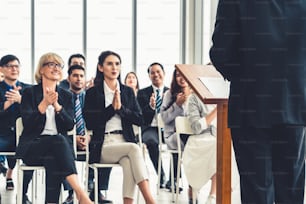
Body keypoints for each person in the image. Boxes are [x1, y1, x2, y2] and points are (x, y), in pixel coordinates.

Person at [210, 1, 306, 204]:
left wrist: (247, 75)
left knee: (256, 191)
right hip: (295, 105)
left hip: (250, 104)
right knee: (291, 191)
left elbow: (221, 52)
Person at [15, 52, 92, 204]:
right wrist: (43, 104)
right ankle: (81, 194)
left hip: (57, 150)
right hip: (33, 147)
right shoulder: (29, 93)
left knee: (54, 160)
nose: (56, 68)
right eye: (51, 64)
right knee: (58, 141)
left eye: (59, 65)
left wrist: (57, 106)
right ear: (41, 70)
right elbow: (28, 124)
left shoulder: (66, 95)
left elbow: (70, 125)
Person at [83, 50, 155, 204]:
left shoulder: (127, 92)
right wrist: (111, 109)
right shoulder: (92, 93)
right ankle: (150, 200)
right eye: (109, 64)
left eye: (117, 64)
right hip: (103, 144)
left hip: (124, 140)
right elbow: (90, 123)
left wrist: (121, 109)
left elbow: (140, 119)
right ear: (101, 67)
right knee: (134, 149)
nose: (114, 67)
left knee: (129, 163)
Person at [0, 54, 33, 204]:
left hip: (24, 136)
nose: (14, 69)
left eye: (16, 66)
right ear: (2, 69)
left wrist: (21, 100)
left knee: (32, 155)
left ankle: (23, 193)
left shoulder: (28, 89)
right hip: (3, 135)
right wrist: (5, 106)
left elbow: (36, 113)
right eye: (10, 66)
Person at [160, 69, 192, 193]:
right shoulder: (169, 94)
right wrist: (177, 105)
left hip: (191, 134)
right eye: (178, 75)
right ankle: (183, 181)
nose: (182, 78)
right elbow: (164, 118)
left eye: (184, 74)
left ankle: (190, 181)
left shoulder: (195, 94)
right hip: (172, 135)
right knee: (189, 142)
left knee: (193, 140)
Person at [137, 62, 168, 188]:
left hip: (168, 128)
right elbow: (140, 115)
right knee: (151, 141)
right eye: (152, 73)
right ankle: (161, 175)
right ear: (149, 76)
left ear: (164, 73)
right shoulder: (142, 93)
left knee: (177, 142)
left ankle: (174, 179)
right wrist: (151, 106)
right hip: (151, 127)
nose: (156, 75)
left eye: (158, 71)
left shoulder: (171, 92)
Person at [185, 93, 217, 204]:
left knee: (221, 146)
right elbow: (196, 128)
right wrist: (217, 109)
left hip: (218, 138)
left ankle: (212, 195)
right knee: (217, 147)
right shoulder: (194, 98)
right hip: (199, 139)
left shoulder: (225, 96)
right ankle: (195, 188)